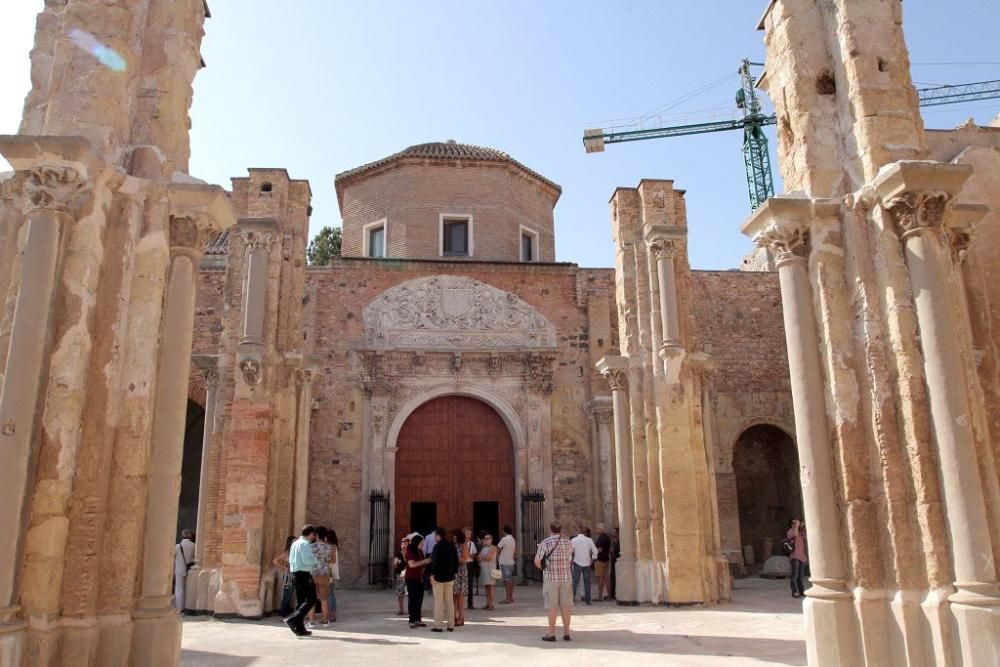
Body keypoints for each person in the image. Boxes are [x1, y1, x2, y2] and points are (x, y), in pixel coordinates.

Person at [534, 521, 574, 642]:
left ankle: (551, 633)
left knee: (552, 607)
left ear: (550, 530)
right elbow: (570, 558)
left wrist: (543, 569)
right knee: (566, 606)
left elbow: (537, 561)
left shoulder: (545, 543)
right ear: (560, 530)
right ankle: (567, 633)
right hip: (566, 577)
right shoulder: (568, 542)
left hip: (551, 578)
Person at [283, 525, 318, 637]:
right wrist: (315, 559)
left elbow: (290, 559)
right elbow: (307, 560)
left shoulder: (295, 543)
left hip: (295, 573)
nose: (314, 537)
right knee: (312, 598)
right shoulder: (305, 544)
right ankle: (294, 619)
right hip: (303, 574)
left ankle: (300, 627)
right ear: (310, 533)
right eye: (313, 534)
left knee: (301, 600)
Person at [429, 527, 458, 632]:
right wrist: (453, 573)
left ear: (438, 535)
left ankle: (438, 626)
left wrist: (432, 574)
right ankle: (451, 625)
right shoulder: (452, 546)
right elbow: (456, 562)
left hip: (438, 578)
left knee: (439, 602)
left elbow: (435, 562)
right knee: (450, 602)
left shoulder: (437, 547)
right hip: (450, 578)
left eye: (435, 536)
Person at [404, 533, 431, 628]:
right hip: (411, 578)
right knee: (412, 599)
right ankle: (411, 620)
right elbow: (412, 565)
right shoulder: (410, 551)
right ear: (417, 542)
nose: (423, 544)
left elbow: (422, 565)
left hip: (420, 579)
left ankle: (418, 619)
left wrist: (425, 566)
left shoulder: (420, 552)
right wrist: (424, 561)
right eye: (422, 543)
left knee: (419, 599)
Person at [570, 525, 598, 605]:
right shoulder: (589, 540)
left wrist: (570, 560)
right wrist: (593, 558)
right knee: (587, 582)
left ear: (578, 532)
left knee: (575, 582)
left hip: (576, 562)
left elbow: (569, 552)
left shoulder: (573, 540)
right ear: (585, 532)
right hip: (587, 563)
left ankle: (572, 599)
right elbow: (595, 551)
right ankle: (588, 600)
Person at [273, 536, 297, 618]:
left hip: (295, 575)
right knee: (287, 595)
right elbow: (275, 560)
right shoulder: (287, 553)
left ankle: (287, 612)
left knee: (290, 595)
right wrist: (284, 567)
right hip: (288, 576)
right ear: (290, 542)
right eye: (294, 541)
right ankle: (283, 614)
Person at [173, 529, 196, 610]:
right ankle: (188, 606)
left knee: (179, 588)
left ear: (182, 536)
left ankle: (179, 607)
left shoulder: (178, 546)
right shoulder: (194, 545)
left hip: (179, 569)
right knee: (188, 588)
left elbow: (172, 557)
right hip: (190, 569)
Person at [787, 519, 808, 599]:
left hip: (802, 557)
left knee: (800, 577)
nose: (796, 524)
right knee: (794, 576)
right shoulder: (790, 532)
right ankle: (795, 592)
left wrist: (802, 526)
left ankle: (801, 591)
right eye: (794, 523)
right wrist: (796, 525)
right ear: (792, 525)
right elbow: (794, 534)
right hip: (795, 556)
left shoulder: (800, 532)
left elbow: (806, 536)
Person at [453, 529, 470, 626]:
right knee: (453, 596)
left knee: (460, 596)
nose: (453, 538)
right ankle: (453, 616)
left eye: (455, 537)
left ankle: (461, 617)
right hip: (453, 573)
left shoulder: (464, 545)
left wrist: (453, 558)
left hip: (461, 572)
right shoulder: (452, 546)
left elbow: (465, 559)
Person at [477, 533, 498, 610]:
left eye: (488, 538)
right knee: (486, 586)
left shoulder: (493, 548)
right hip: (484, 569)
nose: (486, 540)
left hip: (490, 569)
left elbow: (489, 557)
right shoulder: (484, 548)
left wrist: (482, 557)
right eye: (485, 539)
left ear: (491, 540)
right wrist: (482, 557)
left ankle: (491, 604)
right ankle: (487, 603)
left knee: (491, 586)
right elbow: (478, 556)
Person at [497, 525, 517, 604]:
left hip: (504, 561)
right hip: (511, 561)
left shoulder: (504, 539)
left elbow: (498, 548)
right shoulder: (512, 539)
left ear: (504, 531)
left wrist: (496, 558)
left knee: (506, 581)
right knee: (510, 580)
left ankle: (507, 598)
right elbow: (515, 551)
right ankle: (510, 597)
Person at [593, 524, 611, 602]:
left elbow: (599, 549)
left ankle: (600, 596)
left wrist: (593, 552)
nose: (596, 530)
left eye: (597, 529)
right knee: (607, 579)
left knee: (600, 578)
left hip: (600, 561)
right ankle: (609, 596)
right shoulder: (607, 537)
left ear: (601, 529)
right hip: (607, 560)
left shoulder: (601, 538)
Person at [393, 535, 410, 616]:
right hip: (400, 575)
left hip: (410, 575)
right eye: (402, 543)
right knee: (400, 593)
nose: (404, 545)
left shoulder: (410, 553)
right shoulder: (398, 554)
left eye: (406, 544)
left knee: (411, 593)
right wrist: (396, 563)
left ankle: (412, 609)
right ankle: (401, 609)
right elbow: (394, 564)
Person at [326, 528, 339, 622]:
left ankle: (332, 615)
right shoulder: (332, 546)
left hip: (329, 572)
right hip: (330, 572)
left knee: (330, 594)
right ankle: (332, 614)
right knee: (331, 594)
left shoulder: (332, 547)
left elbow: (333, 560)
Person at [463, 527, 478, 609]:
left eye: (470, 534)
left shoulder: (472, 544)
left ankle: (470, 603)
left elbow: (474, 554)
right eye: (467, 533)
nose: (469, 535)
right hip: (462, 564)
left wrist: (469, 555)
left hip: (470, 564)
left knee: (470, 584)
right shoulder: (461, 543)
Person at [609, 527, 621, 601]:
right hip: (613, 561)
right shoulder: (613, 541)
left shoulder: (620, 541)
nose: (613, 533)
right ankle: (612, 594)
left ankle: (617, 593)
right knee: (612, 577)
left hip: (618, 560)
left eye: (614, 532)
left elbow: (616, 549)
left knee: (617, 577)